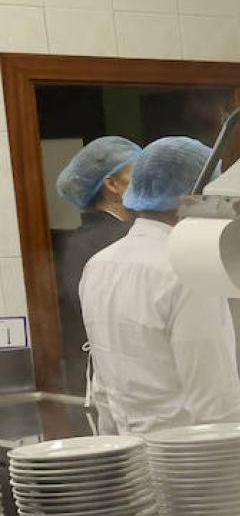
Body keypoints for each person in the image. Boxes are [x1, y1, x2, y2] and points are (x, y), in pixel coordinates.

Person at [78, 136, 240, 435]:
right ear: (195, 198)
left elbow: (102, 387)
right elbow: (215, 403)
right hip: (190, 462)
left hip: (128, 457)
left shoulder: (98, 266)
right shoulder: (189, 272)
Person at [52, 136, 140, 396]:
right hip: (116, 381)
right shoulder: (97, 243)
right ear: (111, 184)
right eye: (139, 171)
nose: (149, 180)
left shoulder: (81, 241)